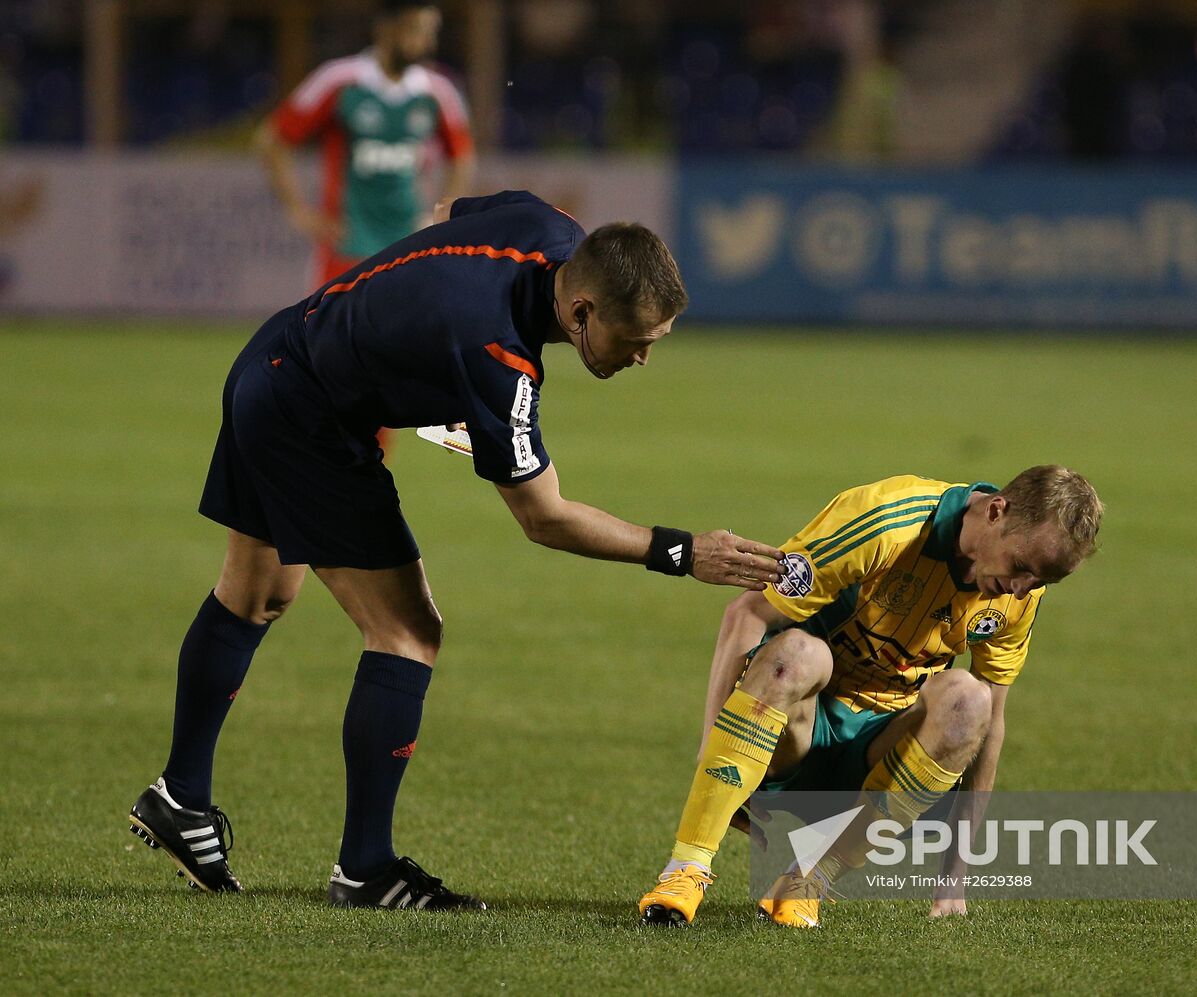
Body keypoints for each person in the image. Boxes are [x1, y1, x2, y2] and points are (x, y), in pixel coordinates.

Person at [126, 189, 787, 911]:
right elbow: (546, 518)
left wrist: (413, 336)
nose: (642, 358)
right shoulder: (498, 354)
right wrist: (683, 552)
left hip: (274, 360)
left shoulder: (548, 227)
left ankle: (180, 797)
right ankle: (366, 869)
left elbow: (442, 212)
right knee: (407, 632)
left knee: (256, 593)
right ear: (582, 313)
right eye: (637, 340)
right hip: (309, 418)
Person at [636, 466, 1102, 927]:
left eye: (1040, 582)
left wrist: (955, 872)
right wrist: (709, 753)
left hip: (876, 766)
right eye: (1021, 567)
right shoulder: (887, 520)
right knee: (799, 652)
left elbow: (992, 723)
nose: (1022, 588)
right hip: (789, 734)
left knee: (970, 698)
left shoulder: (1015, 597)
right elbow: (747, 614)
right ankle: (684, 871)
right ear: (997, 511)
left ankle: (810, 882)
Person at [256, 0, 475, 290]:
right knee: (331, 335)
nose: (426, 41)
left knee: (406, 335)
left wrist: (441, 218)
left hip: (409, 248)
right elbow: (272, 139)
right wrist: (298, 210)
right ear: (385, 29)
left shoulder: (438, 92)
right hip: (347, 246)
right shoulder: (339, 80)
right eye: (416, 29)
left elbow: (462, 158)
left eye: (430, 32)